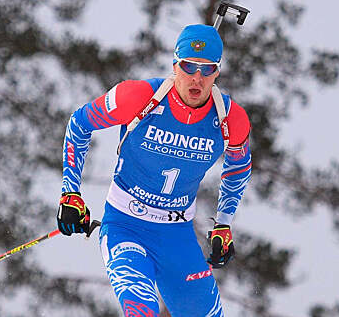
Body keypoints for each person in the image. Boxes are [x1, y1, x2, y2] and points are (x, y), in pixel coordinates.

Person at [57, 24, 251, 317]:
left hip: (178, 236)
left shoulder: (230, 119)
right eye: (188, 66)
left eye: (206, 69)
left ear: (217, 72)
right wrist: (70, 193)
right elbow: (79, 124)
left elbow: (238, 169)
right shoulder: (136, 97)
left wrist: (224, 223)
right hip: (125, 227)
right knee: (142, 310)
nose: (196, 78)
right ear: (175, 64)